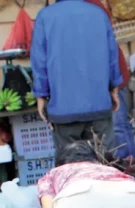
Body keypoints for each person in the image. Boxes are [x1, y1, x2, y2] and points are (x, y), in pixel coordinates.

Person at [30, 0, 124, 153]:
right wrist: (114, 88)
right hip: (98, 106)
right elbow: (112, 56)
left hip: (63, 110)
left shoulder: (45, 16)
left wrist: (41, 96)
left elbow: (39, 61)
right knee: (103, 168)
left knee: (70, 169)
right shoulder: (99, 13)